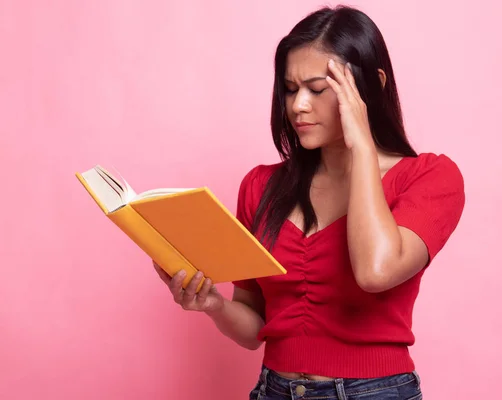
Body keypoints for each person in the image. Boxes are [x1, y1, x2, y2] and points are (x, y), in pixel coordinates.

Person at [153, 5, 465, 399]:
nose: (298, 105)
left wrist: (362, 147)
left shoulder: (430, 177)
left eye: (317, 90)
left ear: (372, 84)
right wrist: (213, 304)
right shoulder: (261, 185)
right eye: (289, 88)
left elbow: (375, 271)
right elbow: (255, 329)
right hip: (274, 389)